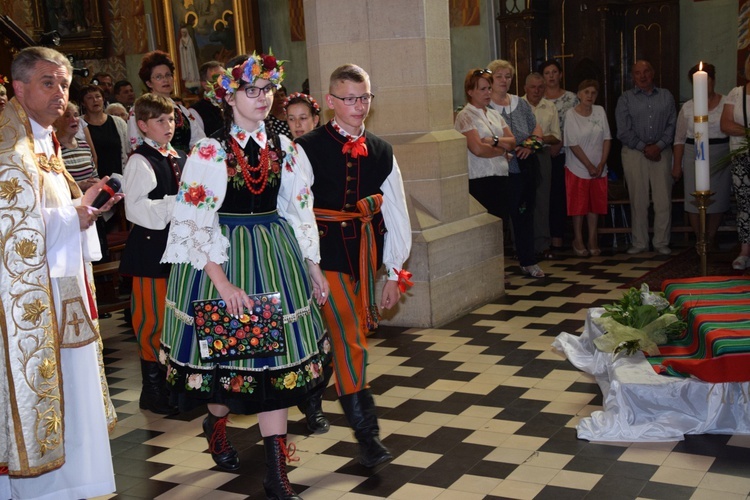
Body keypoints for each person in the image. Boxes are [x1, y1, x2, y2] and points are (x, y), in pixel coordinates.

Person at [160, 52, 329, 499]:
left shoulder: (287, 148)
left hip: (276, 259)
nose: (261, 98)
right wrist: (223, 283)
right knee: (227, 378)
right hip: (226, 260)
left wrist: (313, 267)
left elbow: (299, 211)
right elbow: (194, 223)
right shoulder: (210, 151)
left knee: (274, 372)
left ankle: (276, 474)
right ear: (229, 97)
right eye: (250, 90)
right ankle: (216, 423)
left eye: (266, 90)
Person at [0, 45, 120, 500]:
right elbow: (9, 228)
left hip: (63, 285)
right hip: (28, 298)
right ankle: (42, 489)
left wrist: (83, 206)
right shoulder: (8, 147)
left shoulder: (44, 141)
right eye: (48, 83)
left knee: (75, 382)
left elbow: (49, 210)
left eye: (64, 84)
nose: (59, 93)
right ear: (19, 86)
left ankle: (77, 482)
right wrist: (75, 216)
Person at [294, 63, 412, 468]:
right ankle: (369, 437)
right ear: (331, 102)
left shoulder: (382, 150)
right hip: (321, 256)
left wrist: (395, 272)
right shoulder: (306, 147)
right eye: (350, 98)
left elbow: (396, 211)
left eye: (364, 97)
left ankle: (311, 398)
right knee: (350, 337)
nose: (359, 106)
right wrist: (308, 262)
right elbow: (294, 211)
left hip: (364, 256)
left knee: (340, 337)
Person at [120, 94, 185, 416]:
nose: (168, 126)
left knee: (176, 316)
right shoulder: (140, 160)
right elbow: (135, 208)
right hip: (150, 251)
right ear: (143, 125)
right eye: (160, 121)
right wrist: (177, 202)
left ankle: (174, 383)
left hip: (178, 249)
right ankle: (153, 388)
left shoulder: (178, 155)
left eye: (171, 119)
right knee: (151, 318)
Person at [280, 90, 332, 434]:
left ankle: (314, 405)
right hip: (284, 246)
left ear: (316, 119)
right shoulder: (282, 151)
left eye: (304, 118)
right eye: (291, 119)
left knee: (314, 329)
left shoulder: (323, 149)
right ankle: (296, 403)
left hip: (321, 240)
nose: (298, 125)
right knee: (289, 329)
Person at [488, 59, 545, 278]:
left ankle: (528, 261)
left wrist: (530, 147)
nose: (504, 80)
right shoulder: (485, 105)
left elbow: (536, 129)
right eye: (499, 76)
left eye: (508, 76)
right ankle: (494, 267)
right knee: (498, 217)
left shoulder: (520, 104)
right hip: (499, 167)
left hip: (524, 164)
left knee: (524, 214)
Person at [616, 60, 676, 255]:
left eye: (646, 72)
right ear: (632, 76)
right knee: (638, 200)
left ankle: (661, 242)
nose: (642, 76)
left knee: (663, 200)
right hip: (635, 153)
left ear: (653, 73)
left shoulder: (666, 96)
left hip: (662, 152)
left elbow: (672, 125)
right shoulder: (625, 99)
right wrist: (645, 148)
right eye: (637, 73)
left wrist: (658, 146)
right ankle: (640, 242)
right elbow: (623, 130)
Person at [673, 63, 730, 249]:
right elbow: (680, 138)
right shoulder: (688, 108)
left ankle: (711, 237)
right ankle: (700, 238)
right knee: (693, 199)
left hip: (720, 153)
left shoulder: (726, 103)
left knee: (718, 197)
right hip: (693, 153)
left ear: (712, 80)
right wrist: (676, 164)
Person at [454, 68, 516, 224]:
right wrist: (502, 150)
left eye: (489, 88)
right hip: (480, 181)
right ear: (470, 91)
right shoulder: (465, 115)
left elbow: (513, 141)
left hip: (501, 177)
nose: (488, 93)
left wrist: (494, 141)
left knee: (501, 225)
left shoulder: (494, 114)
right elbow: (478, 149)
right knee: (485, 227)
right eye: (482, 89)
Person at [564, 80, 611, 257]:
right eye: (586, 92)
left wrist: (601, 163)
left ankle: (592, 239)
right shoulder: (571, 114)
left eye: (593, 93)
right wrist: (589, 165)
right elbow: (573, 143)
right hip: (578, 166)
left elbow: (607, 138)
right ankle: (578, 239)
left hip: (599, 167)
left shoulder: (600, 111)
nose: (589, 96)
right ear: (579, 94)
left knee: (595, 206)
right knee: (579, 206)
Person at [128, 50, 206, 154]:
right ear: (149, 83)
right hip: (155, 164)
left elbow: (198, 140)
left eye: (168, 75)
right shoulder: (138, 109)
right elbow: (136, 145)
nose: (165, 80)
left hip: (185, 164)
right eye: (159, 77)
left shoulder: (181, 110)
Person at [540, 59, 579, 252]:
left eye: (554, 72)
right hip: (543, 152)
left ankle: (558, 237)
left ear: (561, 74)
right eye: (547, 73)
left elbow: (576, 124)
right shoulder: (537, 98)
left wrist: (559, 143)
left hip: (566, 154)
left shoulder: (571, 98)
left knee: (559, 196)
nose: (551, 76)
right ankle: (544, 237)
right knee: (543, 196)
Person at [523, 72, 561, 259]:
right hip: (521, 155)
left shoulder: (550, 106)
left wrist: (537, 139)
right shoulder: (518, 105)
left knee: (542, 200)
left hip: (542, 154)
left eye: (540, 87)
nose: (536, 90)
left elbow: (556, 136)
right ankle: (521, 245)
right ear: (525, 88)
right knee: (522, 200)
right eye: (533, 87)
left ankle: (543, 244)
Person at [721, 54, 750, 270]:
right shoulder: (736, 94)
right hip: (742, 157)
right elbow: (726, 124)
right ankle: (745, 251)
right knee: (745, 205)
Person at [80, 84, 129, 178]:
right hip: (93, 179)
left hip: (118, 177)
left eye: (98, 96)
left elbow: (128, 149)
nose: (95, 100)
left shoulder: (118, 122)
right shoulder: (79, 124)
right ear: (83, 103)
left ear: (103, 99)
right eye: (89, 98)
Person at [55, 101, 100, 191]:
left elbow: (95, 176)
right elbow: (53, 187)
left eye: (76, 115)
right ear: (56, 121)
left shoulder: (85, 146)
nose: (74, 119)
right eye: (67, 116)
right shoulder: (53, 148)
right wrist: (78, 186)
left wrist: (97, 182)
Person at [191, 60, 225, 137]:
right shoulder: (195, 111)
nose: (223, 85)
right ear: (205, 85)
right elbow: (199, 142)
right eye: (218, 81)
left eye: (225, 79)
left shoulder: (235, 103)